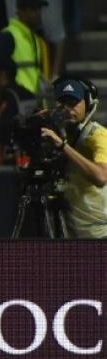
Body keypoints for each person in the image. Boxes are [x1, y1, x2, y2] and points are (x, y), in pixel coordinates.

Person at [41, 77, 107, 239]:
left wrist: (63, 147)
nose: (68, 109)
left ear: (88, 103)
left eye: (74, 103)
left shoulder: (98, 135)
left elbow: (100, 177)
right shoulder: (58, 132)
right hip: (70, 236)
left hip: (99, 236)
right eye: (63, 103)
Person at [0, 0, 48, 97]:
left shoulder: (34, 38)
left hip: (31, 100)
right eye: (33, 9)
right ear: (20, 12)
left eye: (39, 9)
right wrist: (7, 84)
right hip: (16, 101)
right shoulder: (10, 35)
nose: (38, 13)